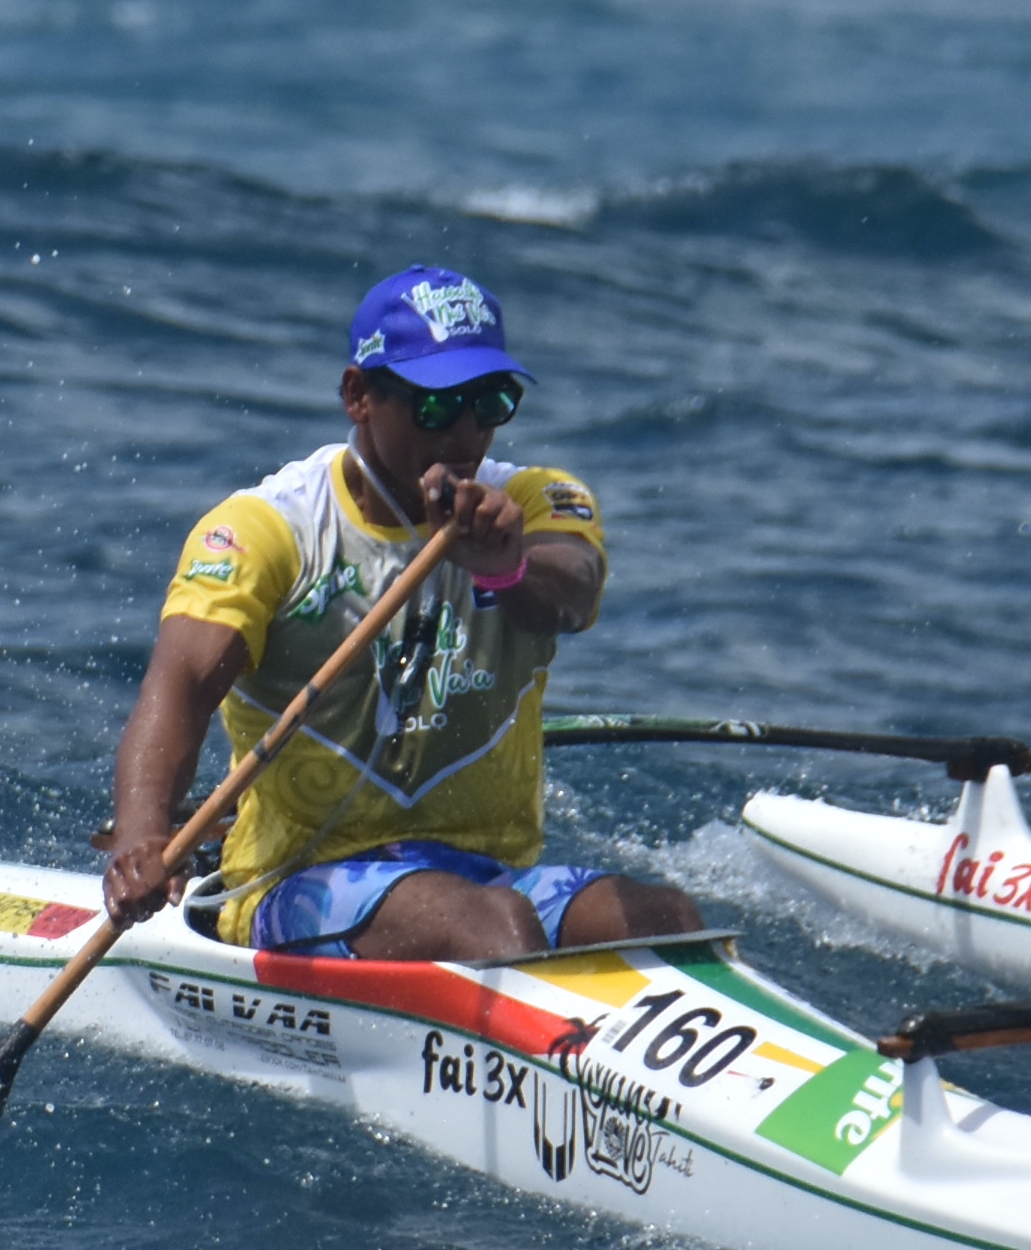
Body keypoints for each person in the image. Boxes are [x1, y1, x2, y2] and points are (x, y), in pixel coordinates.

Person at [101, 266, 701, 961]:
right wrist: (142, 839)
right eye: (437, 406)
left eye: (491, 401)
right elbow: (180, 689)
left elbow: (574, 591)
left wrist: (503, 566)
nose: (467, 432)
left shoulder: (535, 503)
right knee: (496, 929)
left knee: (671, 920)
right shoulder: (270, 531)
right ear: (359, 395)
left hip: (491, 874)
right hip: (298, 879)